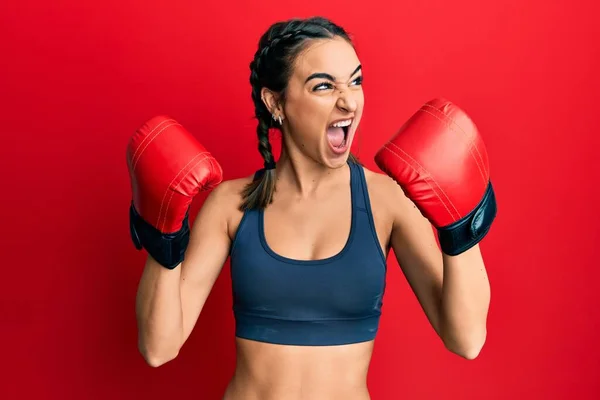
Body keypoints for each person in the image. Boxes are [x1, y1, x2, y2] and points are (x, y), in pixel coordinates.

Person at [127, 16, 496, 400]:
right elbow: (158, 348)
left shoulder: (387, 200)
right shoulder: (231, 205)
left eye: (355, 81)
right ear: (276, 102)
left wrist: (463, 228)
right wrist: (162, 237)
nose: (348, 100)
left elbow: (466, 340)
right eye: (324, 86)